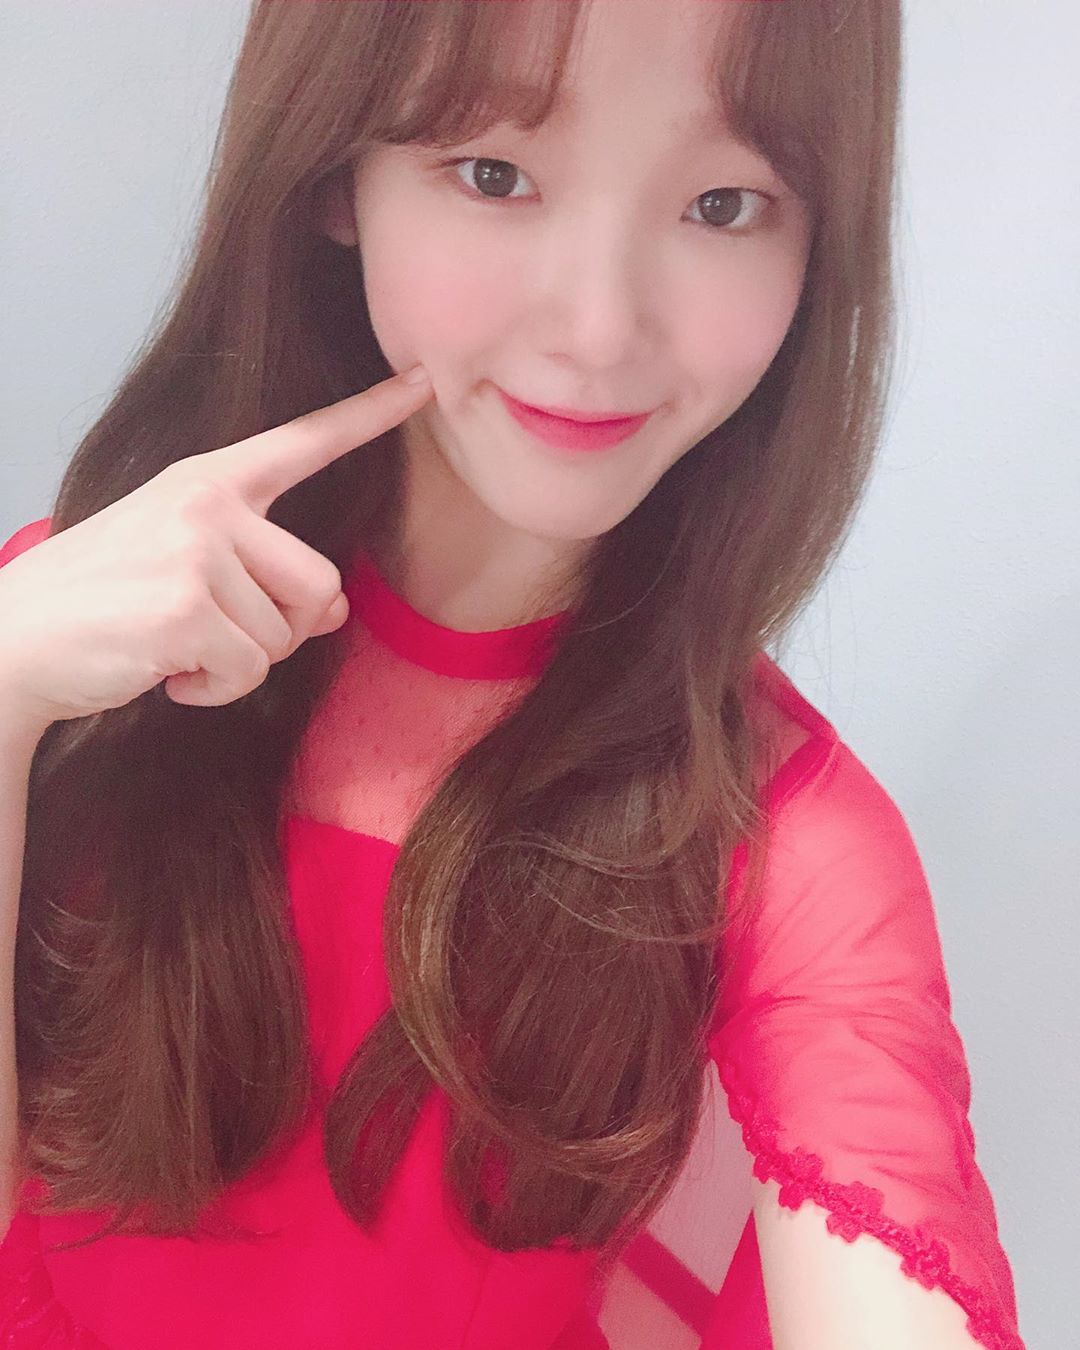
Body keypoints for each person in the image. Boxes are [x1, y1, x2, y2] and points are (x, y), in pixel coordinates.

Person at [0, 2, 1025, 1347]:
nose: (599, 329)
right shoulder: (71, 629)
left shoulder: (786, 837)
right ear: (335, 177)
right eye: (496, 174)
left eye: (722, 205)